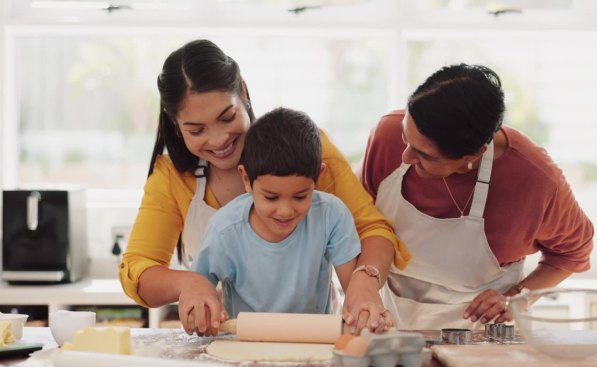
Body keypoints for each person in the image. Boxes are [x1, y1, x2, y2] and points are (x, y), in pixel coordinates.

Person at [118, 39, 408, 336]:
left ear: (242, 91)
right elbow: (138, 268)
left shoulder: (304, 149)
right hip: (236, 339)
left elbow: (374, 231)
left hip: (315, 338)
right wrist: (190, 283)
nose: (218, 140)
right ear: (173, 119)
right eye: (196, 130)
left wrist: (364, 279)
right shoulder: (171, 178)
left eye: (227, 117)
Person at [360, 63, 594, 330]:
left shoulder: (535, 180)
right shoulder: (386, 136)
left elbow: (572, 255)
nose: (405, 157)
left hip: (482, 335)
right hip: (387, 317)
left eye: (425, 156)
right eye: (406, 138)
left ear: (473, 155)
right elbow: (362, 222)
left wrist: (516, 300)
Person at [192, 107, 362, 318]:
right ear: (246, 179)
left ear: (318, 177)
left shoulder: (331, 216)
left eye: (300, 196)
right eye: (271, 197)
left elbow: (355, 292)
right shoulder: (224, 230)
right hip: (245, 343)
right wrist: (202, 310)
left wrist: (362, 305)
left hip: (313, 341)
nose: (285, 211)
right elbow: (198, 288)